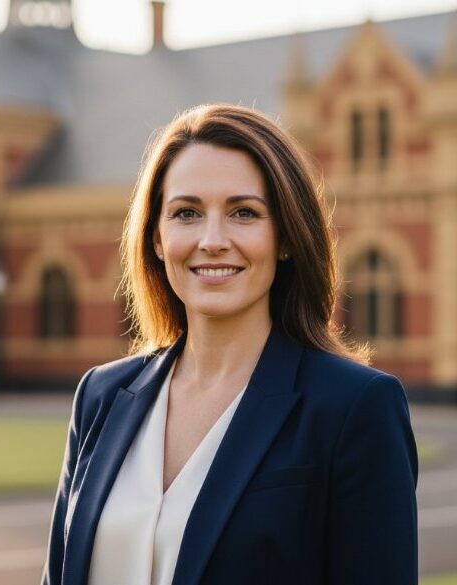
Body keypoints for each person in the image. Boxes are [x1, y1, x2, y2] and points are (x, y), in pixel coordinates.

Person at [42, 104, 418, 585]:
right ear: (157, 237)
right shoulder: (100, 396)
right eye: (186, 213)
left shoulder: (354, 408)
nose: (212, 240)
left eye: (243, 212)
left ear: (284, 236)